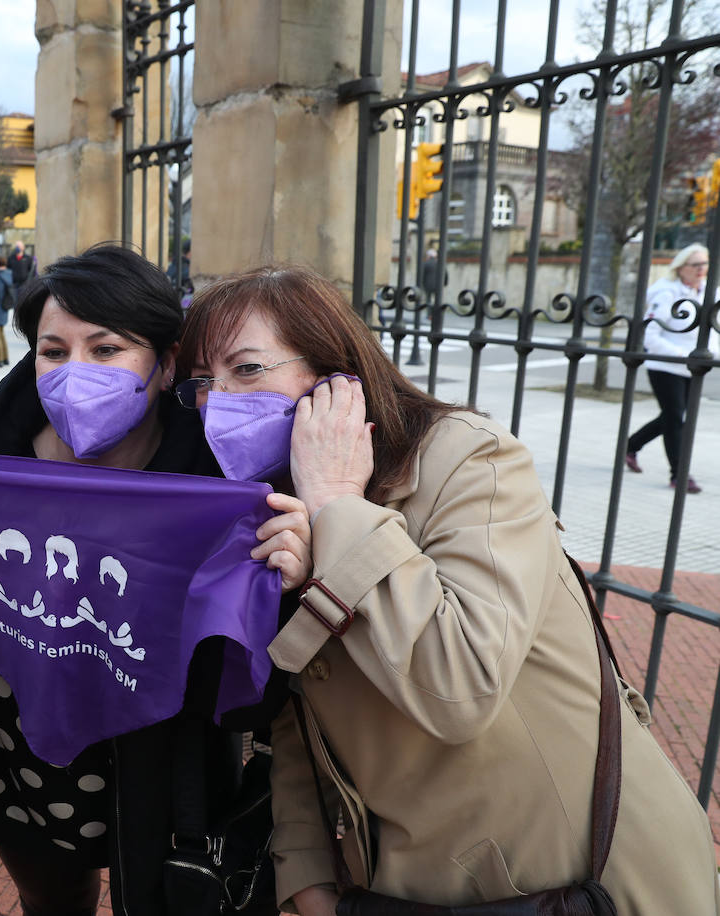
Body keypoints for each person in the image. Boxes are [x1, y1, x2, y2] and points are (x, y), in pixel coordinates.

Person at [174, 264, 720, 915]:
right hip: (413, 883)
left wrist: (336, 508)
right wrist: (305, 870)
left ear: (335, 377)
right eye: (204, 381)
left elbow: (461, 684)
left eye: (248, 369)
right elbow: (303, 703)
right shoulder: (271, 498)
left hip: (577, 876)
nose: (220, 401)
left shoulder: (470, 461)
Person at [0, 244, 300, 916]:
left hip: (154, 774)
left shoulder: (214, 477)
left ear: (166, 362)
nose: (73, 373)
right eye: (53, 351)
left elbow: (253, 679)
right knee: (52, 902)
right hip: (12, 763)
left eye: (107, 349)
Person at [625, 243, 710, 494]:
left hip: (694, 367)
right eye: (695, 265)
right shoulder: (666, 293)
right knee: (675, 418)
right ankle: (679, 475)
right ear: (681, 267)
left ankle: (630, 445)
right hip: (665, 366)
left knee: (671, 417)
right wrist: (683, 355)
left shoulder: (709, 292)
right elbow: (650, 337)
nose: (701, 269)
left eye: (704, 264)